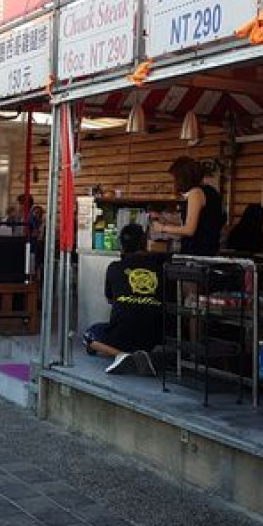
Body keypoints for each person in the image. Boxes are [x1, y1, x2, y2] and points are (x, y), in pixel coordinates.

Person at [82, 223, 165, 376]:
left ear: (122, 245)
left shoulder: (114, 267)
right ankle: (143, 356)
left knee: (89, 334)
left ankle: (121, 355)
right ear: (145, 242)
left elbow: (110, 299)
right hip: (154, 336)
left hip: (121, 337)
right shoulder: (160, 268)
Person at [152, 156, 224, 256]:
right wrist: (164, 219)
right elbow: (200, 222)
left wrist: (162, 228)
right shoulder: (211, 191)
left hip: (196, 252)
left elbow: (189, 230)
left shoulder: (196, 193)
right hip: (209, 250)